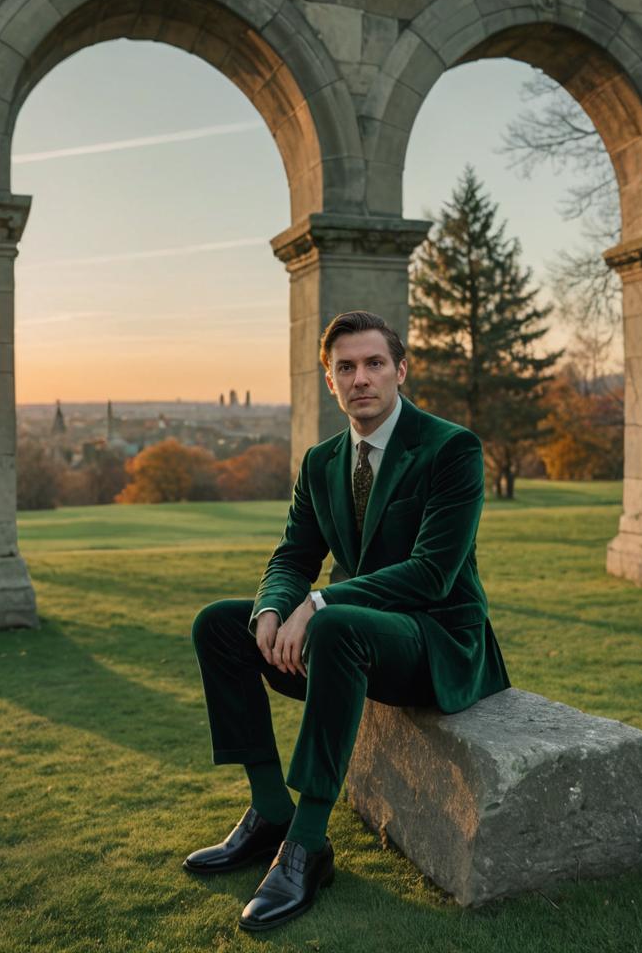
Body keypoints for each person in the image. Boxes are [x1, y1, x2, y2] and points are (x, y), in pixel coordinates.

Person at [185, 310, 510, 932]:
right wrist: (275, 607)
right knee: (218, 624)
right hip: (351, 644)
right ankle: (270, 811)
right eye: (346, 368)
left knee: (334, 623)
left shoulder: (451, 448)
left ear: (400, 370)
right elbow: (293, 555)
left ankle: (307, 846)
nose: (360, 378)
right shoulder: (321, 462)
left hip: (434, 640)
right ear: (329, 379)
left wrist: (319, 604)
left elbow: (431, 574)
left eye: (374, 363)